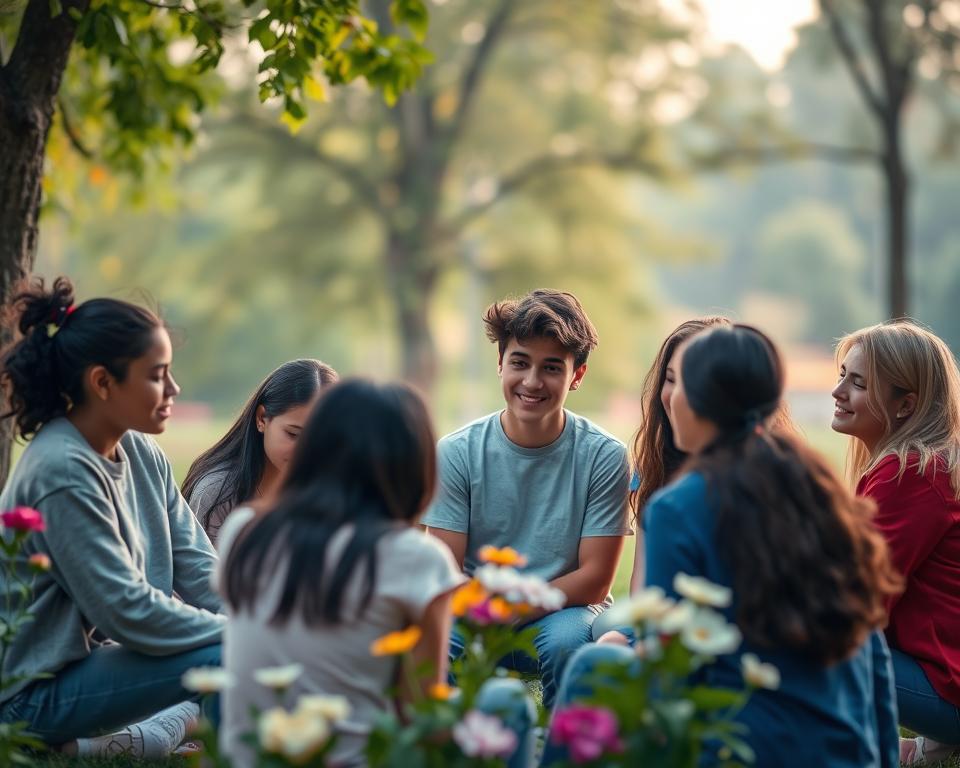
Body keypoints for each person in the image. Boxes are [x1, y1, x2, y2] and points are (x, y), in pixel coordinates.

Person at [546, 324, 902, 767]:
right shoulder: (816, 486)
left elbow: (669, 668)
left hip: (747, 745)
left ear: (699, 399)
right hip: (845, 750)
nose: (668, 397)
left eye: (679, 383)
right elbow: (872, 648)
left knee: (587, 668)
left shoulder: (681, 505)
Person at [217, 380, 536, 768]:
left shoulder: (244, 530)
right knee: (508, 701)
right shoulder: (416, 558)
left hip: (256, 757)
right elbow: (422, 719)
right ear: (414, 466)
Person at [0, 277, 223, 757]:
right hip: (29, 698)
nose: (174, 388)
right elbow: (127, 611)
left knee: (250, 651)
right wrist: (245, 634)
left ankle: (103, 746)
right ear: (102, 382)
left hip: (97, 671)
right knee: (229, 655)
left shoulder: (140, 450)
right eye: (157, 374)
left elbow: (201, 570)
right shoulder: (61, 470)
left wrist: (279, 620)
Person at [422, 289, 631, 707]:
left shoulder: (605, 456)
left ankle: (563, 749)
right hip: (475, 609)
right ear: (500, 364)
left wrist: (518, 609)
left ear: (578, 375)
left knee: (569, 648)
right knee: (432, 648)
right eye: (520, 363)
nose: (532, 382)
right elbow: (446, 568)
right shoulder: (457, 452)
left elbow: (594, 579)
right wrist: (493, 613)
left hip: (563, 611)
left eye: (551, 368)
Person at [832, 320, 960, 765]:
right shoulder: (928, 467)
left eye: (858, 382)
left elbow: (859, 607)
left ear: (905, 405)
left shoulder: (912, 473)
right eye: (842, 374)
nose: (838, 391)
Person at [182, 358, 338, 543]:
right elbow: (201, 569)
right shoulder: (218, 493)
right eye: (294, 434)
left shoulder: (331, 490)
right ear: (262, 418)